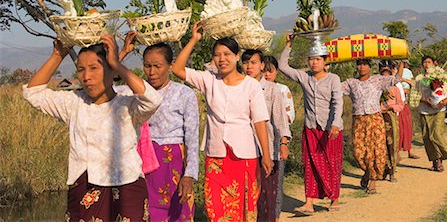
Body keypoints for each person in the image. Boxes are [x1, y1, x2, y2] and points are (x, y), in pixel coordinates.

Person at [22, 36, 162, 221]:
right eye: (81, 70)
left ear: (111, 72)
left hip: (128, 187)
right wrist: (58, 55)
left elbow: (153, 100)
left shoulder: (128, 106)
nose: (86, 77)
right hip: (84, 187)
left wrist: (116, 63)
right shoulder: (73, 103)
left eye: (94, 68)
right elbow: (32, 94)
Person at [172, 21, 274, 222]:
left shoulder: (251, 86)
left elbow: (259, 122)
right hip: (216, 155)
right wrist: (194, 39)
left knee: (244, 207)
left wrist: (266, 155)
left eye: (227, 54)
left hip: (245, 156)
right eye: (217, 55)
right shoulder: (209, 80)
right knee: (216, 207)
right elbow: (177, 69)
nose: (222, 59)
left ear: (237, 56)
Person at [118, 33, 199, 221]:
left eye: (157, 66)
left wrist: (189, 175)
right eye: (147, 66)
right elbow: (103, 86)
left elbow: (192, 137)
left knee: (177, 214)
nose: (151, 72)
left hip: (173, 164)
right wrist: (121, 54)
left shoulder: (184, 94)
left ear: (170, 67)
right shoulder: (135, 91)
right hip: (142, 163)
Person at [279, 34, 344, 214]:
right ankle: (309, 202)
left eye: (318, 59)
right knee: (310, 164)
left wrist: (336, 124)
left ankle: (334, 197)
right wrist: (289, 45)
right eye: (311, 59)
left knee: (332, 163)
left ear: (325, 61)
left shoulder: (333, 79)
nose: (314, 63)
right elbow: (283, 66)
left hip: (330, 129)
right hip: (311, 128)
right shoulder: (304, 77)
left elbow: (338, 102)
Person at [241, 50, 291, 222]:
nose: (249, 66)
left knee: (266, 195)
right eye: (245, 62)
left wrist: (283, 142)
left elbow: (279, 118)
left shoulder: (271, 89)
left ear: (261, 65)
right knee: (248, 195)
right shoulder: (239, 87)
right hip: (244, 150)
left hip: (267, 148)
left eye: (253, 62)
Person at [341, 58, 403, 194]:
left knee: (376, 150)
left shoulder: (378, 80)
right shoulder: (351, 83)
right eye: (359, 64)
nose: (362, 67)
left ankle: (373, 180)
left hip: (375, 118)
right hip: (359, 120)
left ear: (370, 67)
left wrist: (401, 63)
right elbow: (334, 89)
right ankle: (367, 173)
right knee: (359, 152)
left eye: (365, 64)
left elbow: (396, 79)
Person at [262, 55, 295, 221]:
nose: (267, 75)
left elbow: (288, 117)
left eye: (271, 71)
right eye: (264, 71)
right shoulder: (254, 88)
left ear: (276, 72)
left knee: (276, 183)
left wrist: (283, 141)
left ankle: (275, 216)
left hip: (277, 142)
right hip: (259, 144)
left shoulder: (282, 90)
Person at [409, 56, 447, 172]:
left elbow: (446, 92)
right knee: (427, 137)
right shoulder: (419, 79)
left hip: (439, 110)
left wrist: (445, 101)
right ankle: (436, 162)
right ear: (422, 65)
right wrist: (425, 100)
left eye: (429, 62)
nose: (427, 64)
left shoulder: (440, 75)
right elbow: (414, 95)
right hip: (424, 110)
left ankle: (443, 154)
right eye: (425, 62)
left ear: (433, 64)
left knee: (436, 134)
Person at [379, 64, 404, 182]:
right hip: (379, 117)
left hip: (391, 116)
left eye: (387, 75)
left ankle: (392, 170)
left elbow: (401, 105)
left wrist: (391, 107)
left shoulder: (395, 89)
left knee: (392, 143)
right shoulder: (377, 89)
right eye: (382, 75)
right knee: (380, 144)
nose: (385, 78)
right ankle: (382, 170)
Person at [398, 61, 420, 159]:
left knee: (407, 127)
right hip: (397, 103)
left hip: (405, 102)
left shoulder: (407, 72)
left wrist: (403, 79)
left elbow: (412, 83)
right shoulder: (392, 71)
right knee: (398, 128)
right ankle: (397, 152)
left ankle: (409, 150)